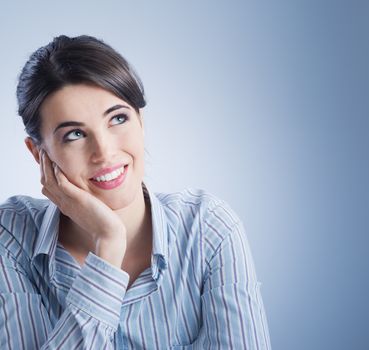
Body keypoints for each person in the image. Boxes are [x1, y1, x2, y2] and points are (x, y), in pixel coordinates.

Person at [0, 35, 272, 349]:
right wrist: (109, 244)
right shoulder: (11, 236)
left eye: (118, 118)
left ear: (140, 121)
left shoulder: (208, 228)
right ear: (39, 154)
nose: (104, 152)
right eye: (74, 134)